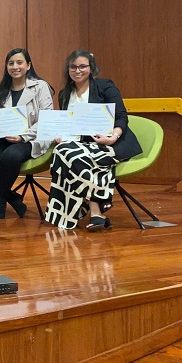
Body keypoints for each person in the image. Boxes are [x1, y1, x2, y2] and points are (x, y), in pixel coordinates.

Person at [44, 50, 142, 232]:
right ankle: (97, 211)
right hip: (82, 144)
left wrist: (113, 137)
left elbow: (121, 116)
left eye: (82, 66)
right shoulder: (65, 93)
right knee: (63, 151)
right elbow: (69, 123)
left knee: (68, 156)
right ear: (68, 69)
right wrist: (60, 135)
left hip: (110, 143)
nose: (77, 70)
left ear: (91, 68)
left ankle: (77, 212)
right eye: (73, 67)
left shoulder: (105, 86)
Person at [0, 48, 54, 219]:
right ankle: (12, 197)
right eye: (11, 63)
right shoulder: (0, 89)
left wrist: (22, 137)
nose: (15, 67)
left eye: (19, 62)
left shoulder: (40, 86)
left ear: (28, 65)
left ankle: (0, 202)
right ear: (6, 66)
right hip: (4, 138)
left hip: (31, 138)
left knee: (11, 155)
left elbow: (46, 119)